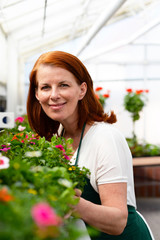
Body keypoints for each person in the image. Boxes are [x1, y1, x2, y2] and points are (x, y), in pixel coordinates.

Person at [27, 50, 154, 240]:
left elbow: (118, 221)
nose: (54, 95)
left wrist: (69, 202)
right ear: (37, 94)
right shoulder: (60, 135)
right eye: (45, 87)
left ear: (82, 90)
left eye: (63, 85)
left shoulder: (105, 138)